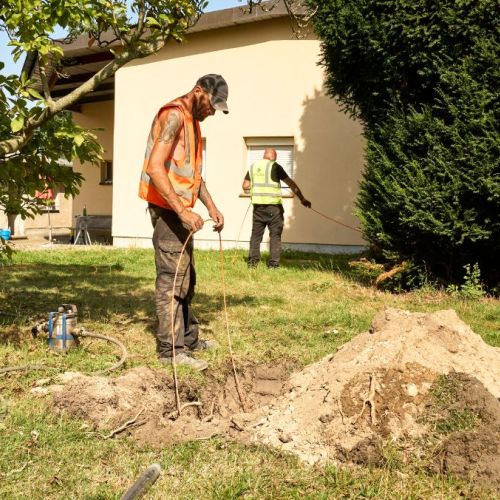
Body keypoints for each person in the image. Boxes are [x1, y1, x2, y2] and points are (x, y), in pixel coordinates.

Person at [139, 74, 229, 371]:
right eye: (212, 104)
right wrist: (182, 212)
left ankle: (189, 340)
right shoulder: (175, 115)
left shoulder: (194, 125)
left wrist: (212, 207)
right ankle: (171, 350)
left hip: (179, 210)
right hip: (167, 210)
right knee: (172, 279)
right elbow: (154, 167)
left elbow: (193, 176)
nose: (213, 111)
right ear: (199, 91)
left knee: (187, 278)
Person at [242, 148, 311, 268]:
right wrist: (302, 199)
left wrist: (256, 189)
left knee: (256, 236)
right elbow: (291, 184)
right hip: (274, 208)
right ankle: (273, 265)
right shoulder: (275, 166)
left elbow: (245, 186)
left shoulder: (253, 167)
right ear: (273, 156)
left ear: (264, 155)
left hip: (258, 208)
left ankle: (252, 263)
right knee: (275, 235)